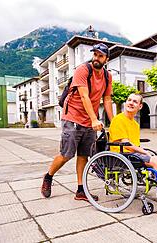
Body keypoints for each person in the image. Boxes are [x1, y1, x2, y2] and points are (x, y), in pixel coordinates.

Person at [41, 43, 113, 201]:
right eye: (95, 54)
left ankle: (81, 190)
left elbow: (107, 99)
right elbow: (84, 96)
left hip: (89, 120)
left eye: (100, 56)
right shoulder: (83, 70)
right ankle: (48, 177)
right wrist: (94, 118)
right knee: (66, 154)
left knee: (84, 155)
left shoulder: (108, 77)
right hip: (72, 117)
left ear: (106, 59)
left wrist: (112, 121)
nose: (96, 58)